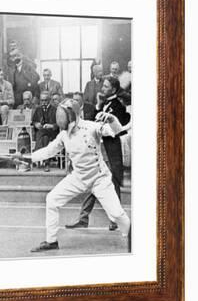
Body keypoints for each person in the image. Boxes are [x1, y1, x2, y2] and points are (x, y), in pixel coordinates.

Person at [13, 98, 131, 252]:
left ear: (72, 114)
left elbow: (116, 131)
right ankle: (51, 241)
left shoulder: (91, 127)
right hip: (78, 177)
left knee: (116, 214)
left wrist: (111, 119)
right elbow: (48, 151)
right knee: (52, 200)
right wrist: (25, 157)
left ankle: (132, 235)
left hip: (99, 178)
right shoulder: (63, 135)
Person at [66, 76, 131, 231]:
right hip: (100, 148)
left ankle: (114, 219)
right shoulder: (105, 103)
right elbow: (94, 121)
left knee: (112, 184)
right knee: (96, 182)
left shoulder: (118, 105)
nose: (102, 89)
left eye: (106, 87)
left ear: (113, 89)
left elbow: (117, 127)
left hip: (111, 150)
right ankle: (84, 218)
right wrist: (99, 105)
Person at [31, 91, 58, 172]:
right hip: (43, 135)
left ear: (49, 100)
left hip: (52, 133)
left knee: (41, 133)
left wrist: (52, 126)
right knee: (44, 138)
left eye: (45, 100)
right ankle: (46, 163)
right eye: (42, 100)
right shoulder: (38, 109)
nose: (43, 102)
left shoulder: (55, 110)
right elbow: (33, 121)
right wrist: (36, 124)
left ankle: (36, 154)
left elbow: (59, 124)